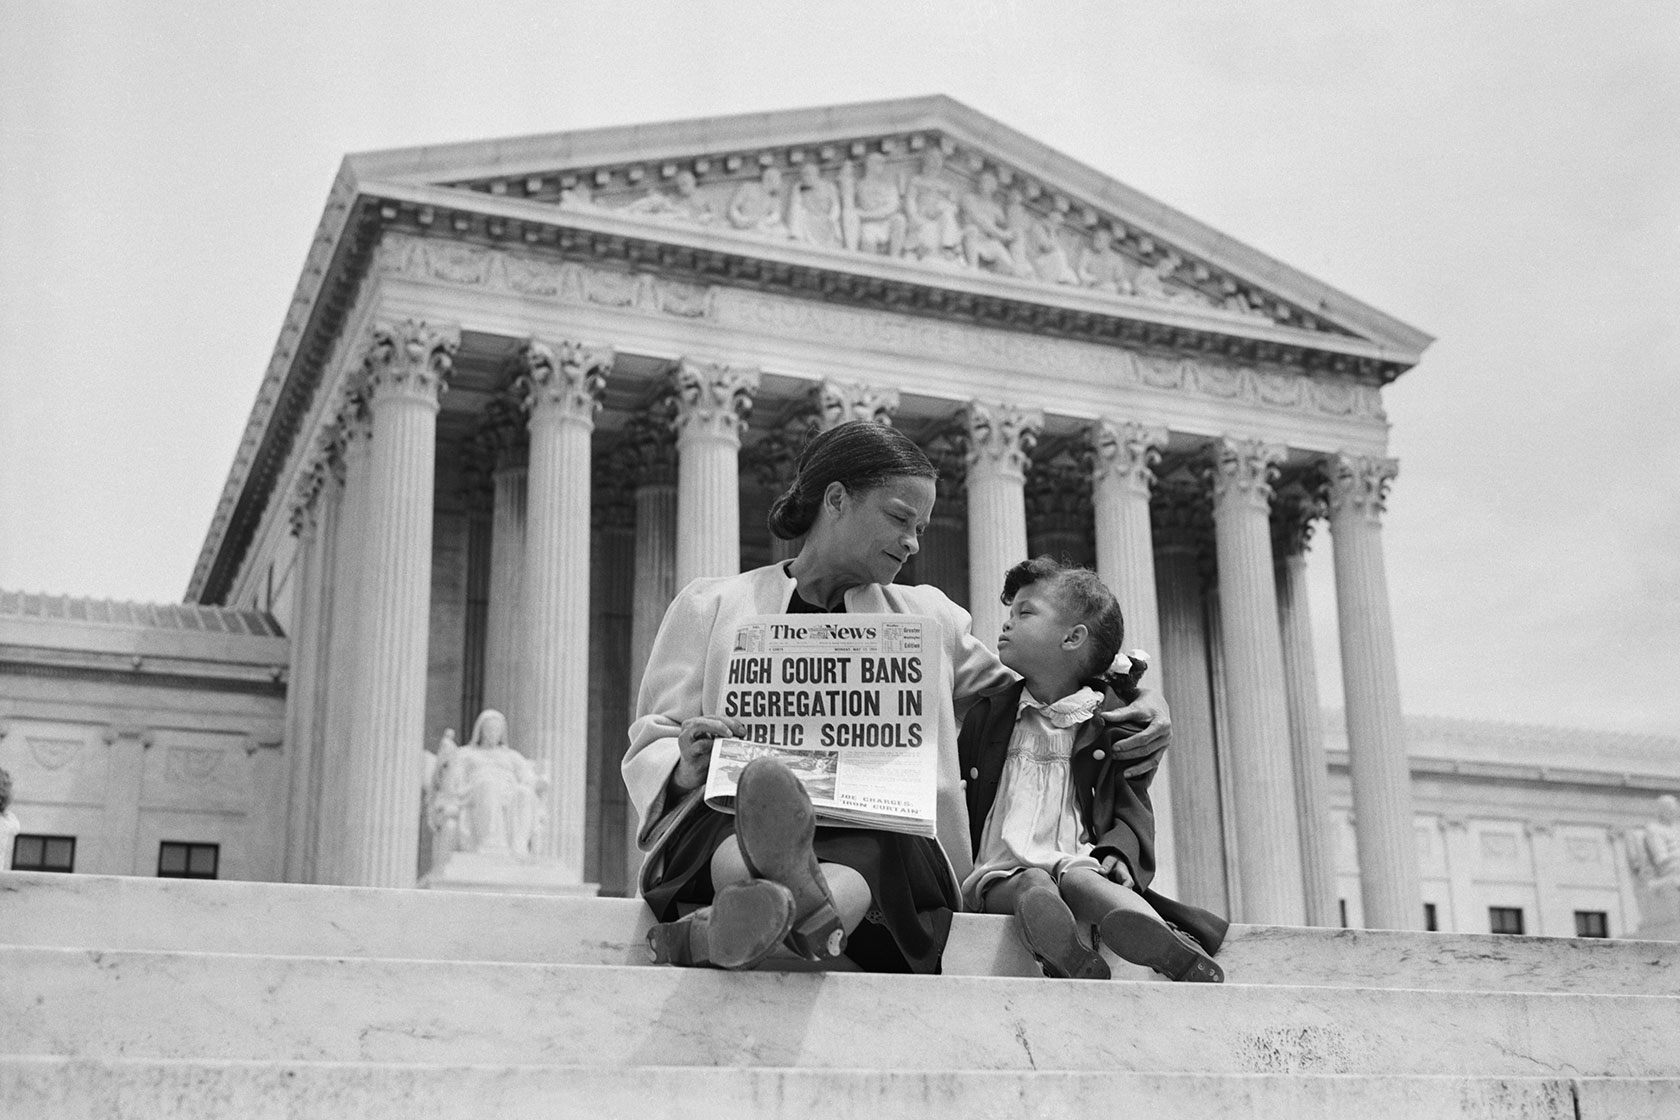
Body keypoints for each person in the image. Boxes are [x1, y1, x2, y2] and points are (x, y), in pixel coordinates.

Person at [623, 421, 1172, 973]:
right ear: (836, 499)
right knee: (743, 821)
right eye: (898, 518)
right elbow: (655, 735)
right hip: (737, 809)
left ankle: (743, 919)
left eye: (923, 528)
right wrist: (687, 761)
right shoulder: (711, 605)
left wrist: (1130, 695)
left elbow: (1040, 693)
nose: (912, 542)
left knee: (872, 844)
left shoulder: (929, 618)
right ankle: (795, 909)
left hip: (879, 828)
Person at [959, 556, 1225, 982]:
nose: (1006, 624)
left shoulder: (1105, 722)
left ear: (1072, 638)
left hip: (1076, 854)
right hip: (1000, 865)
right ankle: (1064, 948)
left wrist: (1122, 852)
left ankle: (1167, 944)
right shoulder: (987, 712)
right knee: (1030, 886)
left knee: (1087, 883)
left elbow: (1130, 799)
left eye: (1024, 613)